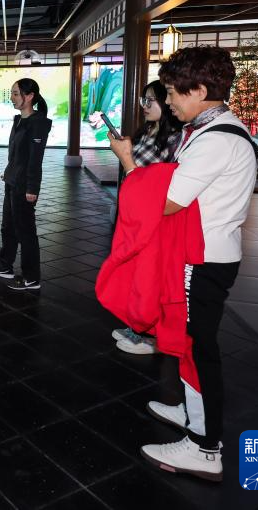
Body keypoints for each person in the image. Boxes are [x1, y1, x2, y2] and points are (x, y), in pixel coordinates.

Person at [109, 46, 257, 482]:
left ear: (200, 90)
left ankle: (205, 447)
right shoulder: (214, 129)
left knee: (197, 349)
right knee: (189, 340)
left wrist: (127, 162)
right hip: (207, 252)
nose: (169, 100)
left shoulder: (215, 141)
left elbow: (167, 202)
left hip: (204, 258)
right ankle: (194, 415)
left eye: (174, 91)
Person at [107, 80, 183, 355]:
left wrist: (126, 158)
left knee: (153, 278)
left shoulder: (174, 139)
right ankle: (138, 325)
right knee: (136, 274)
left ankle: (151, 335)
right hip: (135, 212)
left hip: (155, 216)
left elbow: (153, 181)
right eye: (144, 100)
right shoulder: (147, 131)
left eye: (152, 100)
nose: (145, 106)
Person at [0, 78, 52, 291]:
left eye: (15, 94)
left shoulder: (38, 123)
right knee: (8, 227)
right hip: (12, 180)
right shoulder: (19, 120)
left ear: (29, 97)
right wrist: (9, 171)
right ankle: (5, 266)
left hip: (24, 185)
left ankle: (31, 277)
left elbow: (35, 159)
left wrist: (32, 188)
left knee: (25, 231)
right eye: (12, 93)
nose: (11, 98)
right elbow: (17, 154)